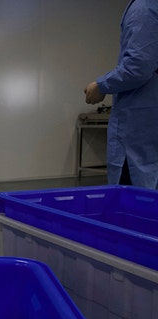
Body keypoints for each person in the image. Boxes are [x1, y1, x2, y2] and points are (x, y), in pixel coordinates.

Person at [84, 0, 158, 189]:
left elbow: (138, 67)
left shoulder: (144, 8)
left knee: (135, 201)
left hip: (139, 127)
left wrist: (100, 86)